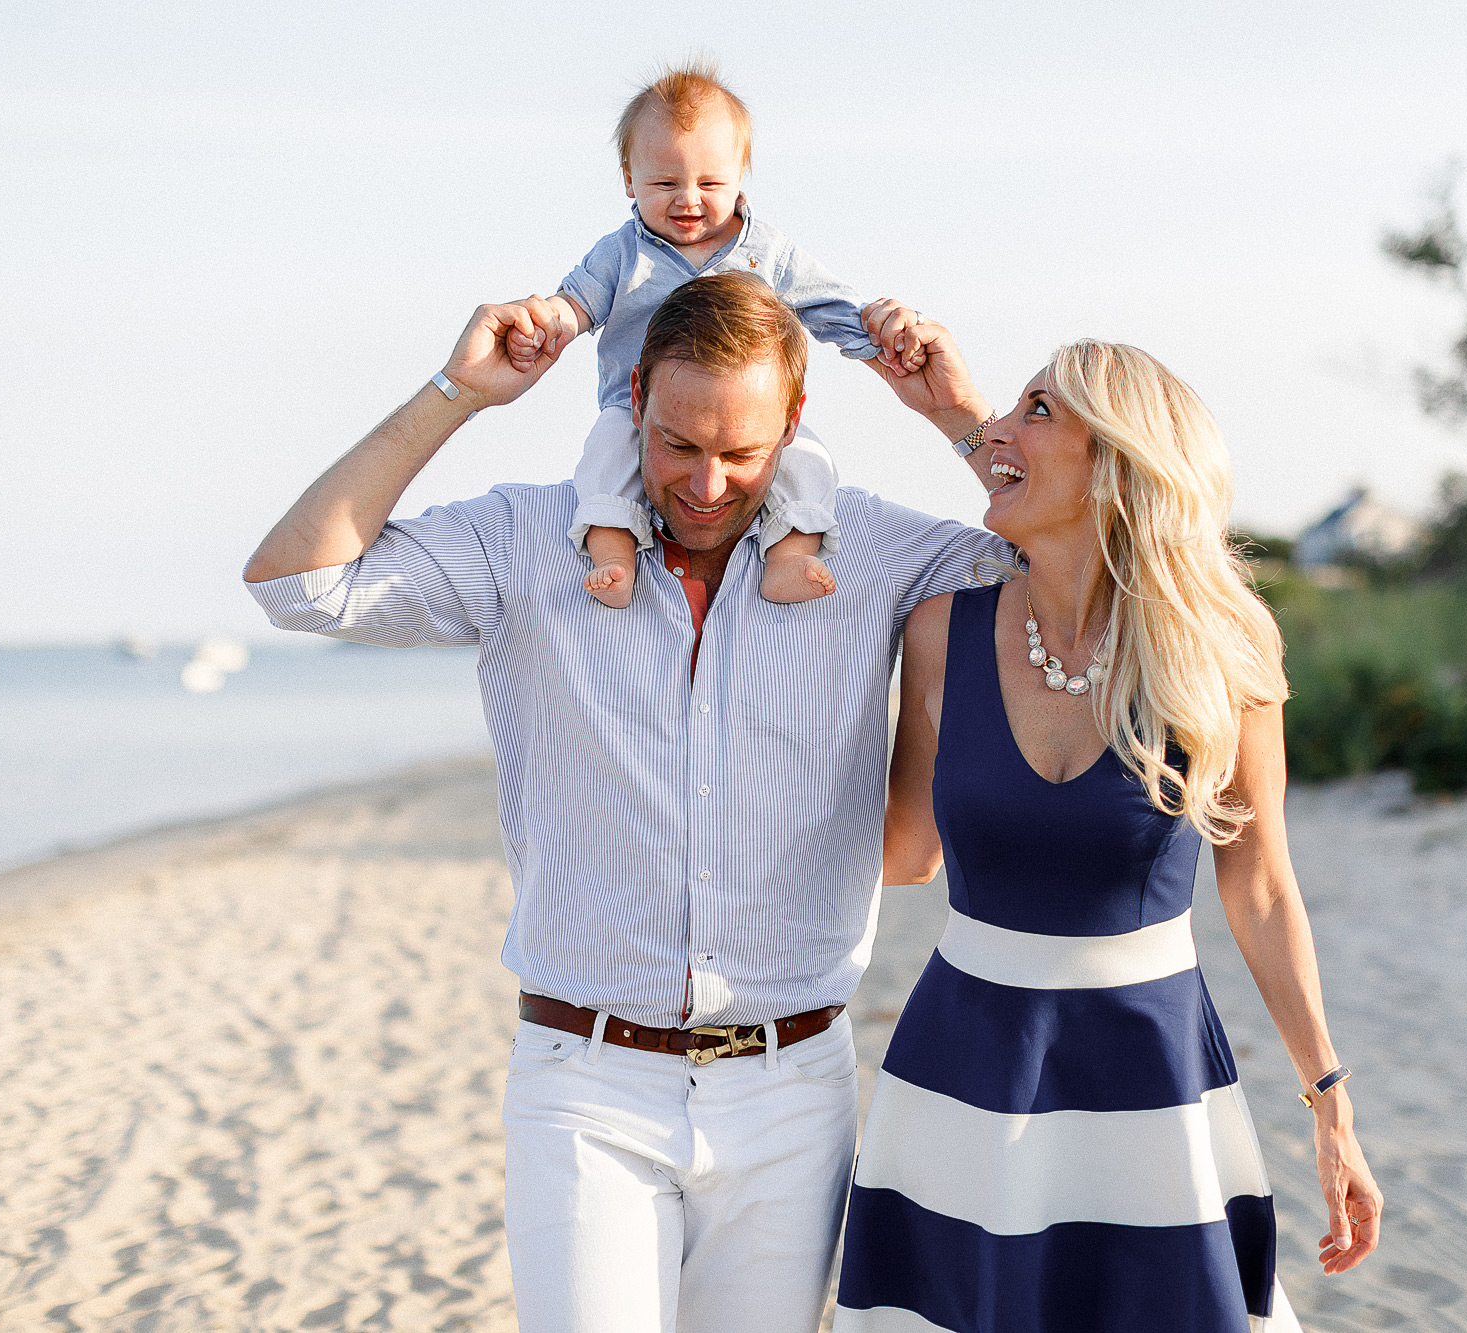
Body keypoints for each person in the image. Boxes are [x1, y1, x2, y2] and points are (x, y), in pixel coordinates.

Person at [242, 272, 1008, 1332]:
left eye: (741, 453)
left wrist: (959, 417)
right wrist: (454, 394)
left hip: (793, 1089)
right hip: (583, 1084)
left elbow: (1091, 565)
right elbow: (296, 583)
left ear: (794, 423)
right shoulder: (521, 539)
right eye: (675, 443)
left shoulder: (877, 552)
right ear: (634, 397)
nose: (704, 483)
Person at [833, 342, 1382, 1331]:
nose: (999, 429)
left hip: (1148, 1074)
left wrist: (1329, 1103)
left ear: (1120, 462)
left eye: (1036, 409)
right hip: (961, 1070)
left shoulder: (1222, 649)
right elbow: (902, 851)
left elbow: (1257, 886)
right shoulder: (936, 634)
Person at [503, 60, 921, 610]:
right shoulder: (623, 254)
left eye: (710, 183)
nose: (688, 200)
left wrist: (884, 335)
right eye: (664, 183)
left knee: (807, 461)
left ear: (741, 175)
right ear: (629, 177)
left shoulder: (767, 253)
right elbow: (574, 304)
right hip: (641, 416)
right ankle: (613, 554)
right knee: (604, 459)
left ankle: (791, 554)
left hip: (749, 419)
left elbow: (830, 305)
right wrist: (540, 325)